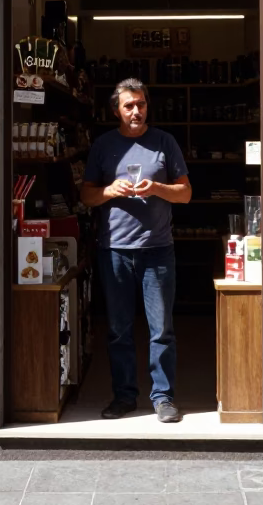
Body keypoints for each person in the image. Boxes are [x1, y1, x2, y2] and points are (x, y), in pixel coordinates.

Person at [81, 78, 192, 423]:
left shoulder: (164, 142)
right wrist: (110, 191)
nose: (136, 111)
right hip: (114, 250)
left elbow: (186, 194)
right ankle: (125, 396)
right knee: (118, 329)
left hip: (157, 250)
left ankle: (163, 397)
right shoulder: (103, 145)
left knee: (161, 329)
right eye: (129, 105)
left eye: (141, 104)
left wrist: (157, 187)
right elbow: (87, 197)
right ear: (116, 109)